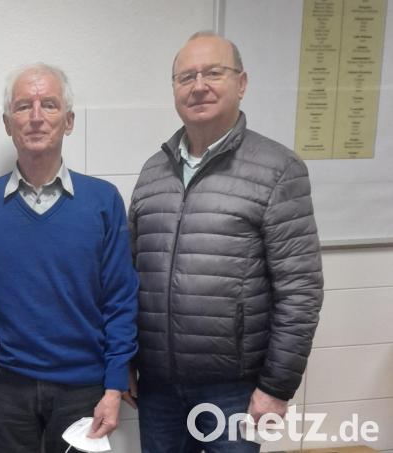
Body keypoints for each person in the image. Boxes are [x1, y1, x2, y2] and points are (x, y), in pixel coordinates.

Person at [127, 31, 324, 452]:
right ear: (175, 89)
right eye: (187, 77)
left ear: (242, 82)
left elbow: (301, 292)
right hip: (158, 387)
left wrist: (276, 387)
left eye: (214, 73)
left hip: (234, 390)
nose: (199, 86)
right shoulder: (152, 172)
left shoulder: (278, 169)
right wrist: (125, 362)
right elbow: (130, 279)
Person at [0, 63, 139, 453]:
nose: (36, 117)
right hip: (4, 387)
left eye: (49, 105)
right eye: (24, 106)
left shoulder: (103, 202)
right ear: (8, 123)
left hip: (83, 387)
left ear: (69, 121)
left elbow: (121, 299)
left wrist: (114, 384)